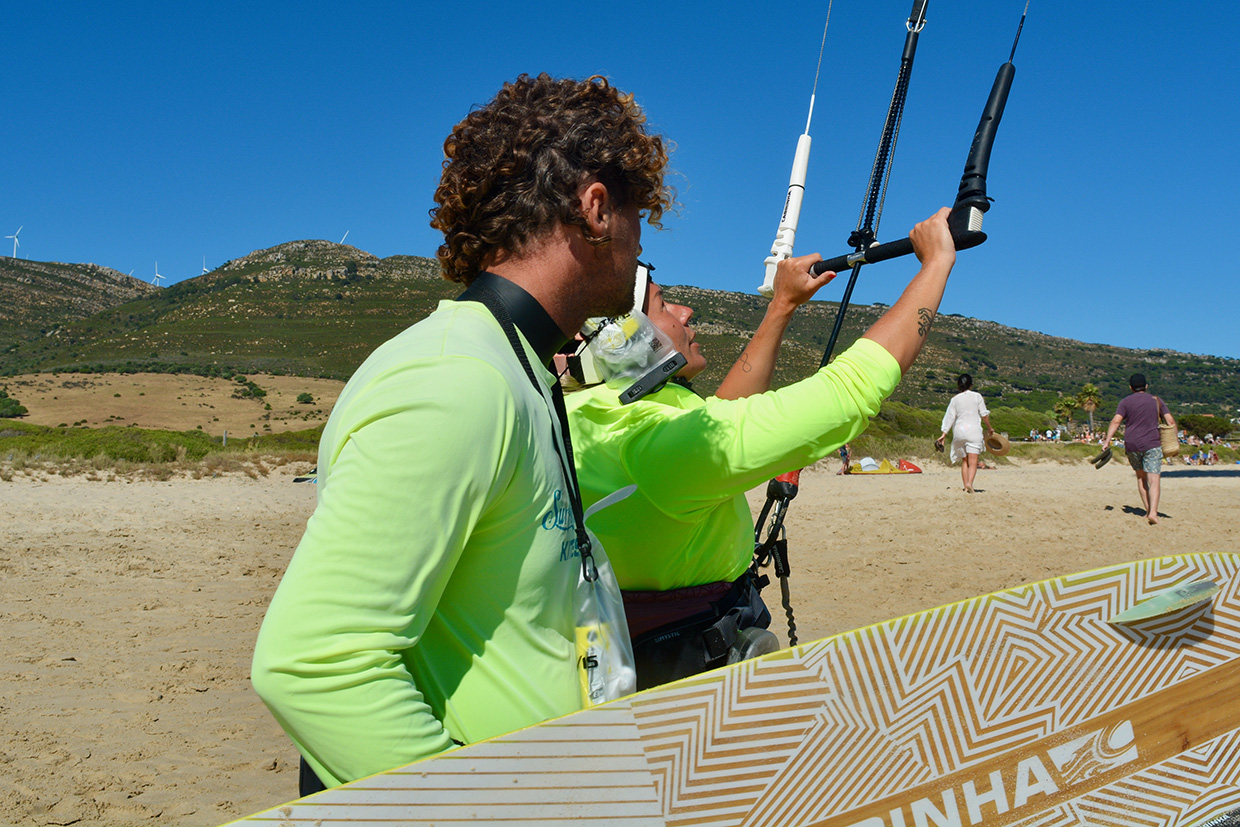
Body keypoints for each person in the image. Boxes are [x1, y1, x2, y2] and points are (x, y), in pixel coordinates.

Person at [250, 73, 674, 792]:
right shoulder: (457, 381)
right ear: (596, 208)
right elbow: (314, 663)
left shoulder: (519, 366)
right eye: (640, 216)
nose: (641, 246)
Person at [566, 207, 958, 689]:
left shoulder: (599, 412)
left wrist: (781, 307)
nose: (686, 312)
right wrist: (936, 264)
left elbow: (717, 423)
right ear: (621, 339)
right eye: (664, 305)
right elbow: (848, 394)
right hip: (689, 663)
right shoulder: (651, 442)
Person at [1101, 373, 1175, 525]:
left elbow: (1116, 421)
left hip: (1132, 444)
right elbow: (1170, 420)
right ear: (1146, 386)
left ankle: (1147, 510)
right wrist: (1174, 441)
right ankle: (1153, 513)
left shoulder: (1125, 402)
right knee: (1154, 479)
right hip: (1152, 443)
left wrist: (1107, 441)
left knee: (1141, 478)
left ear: (1130, 387)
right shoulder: (1156, 401)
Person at [934, 373, 995, 493]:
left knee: (965, 461)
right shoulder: (977, 396)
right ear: (971, 384)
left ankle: (965, 485)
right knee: (973, 462)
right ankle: (969, 484)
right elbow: (984, 415)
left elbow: (949, 417)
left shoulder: (955, 399)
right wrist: (990, 428)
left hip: (959, 432)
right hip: (974, 431)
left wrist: (944, 434)